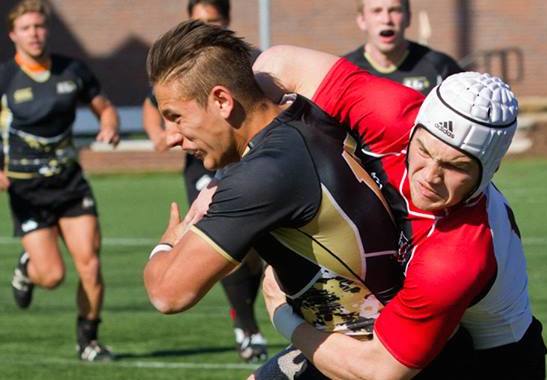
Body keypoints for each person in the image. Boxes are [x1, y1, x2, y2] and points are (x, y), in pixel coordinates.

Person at [142, 20, 473, 380]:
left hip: (375, 356)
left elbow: (167, 293)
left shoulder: (263, 175)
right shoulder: (304, 114)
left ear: (222, 100)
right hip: (401, 339)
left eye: (176, 118)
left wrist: (169, 241)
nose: (172, 137)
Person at [252, 46, 547, 379]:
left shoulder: (458, 253)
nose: (429, 176)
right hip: (410, 329)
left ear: (490, 171)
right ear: (415, 127)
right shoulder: (390, 115)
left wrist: (282, 316)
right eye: (423, 150)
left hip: (486, 364)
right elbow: (274, 63)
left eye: (456, 167)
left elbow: (378, 371)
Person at [141, 0, 268, 363]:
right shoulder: (179, 72)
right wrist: (159, 133)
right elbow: (151, 104)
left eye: (214, 22)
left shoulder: (250, 62)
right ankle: (246, 326)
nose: (207, 29)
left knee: (258, 251)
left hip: (248, 163)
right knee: (228, 240)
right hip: (204, 169)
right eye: (201, 23)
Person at [0, 0, 120, 362]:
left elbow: (104, 106)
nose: (34, 34)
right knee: (51, 276)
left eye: (39, 26)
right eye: (26, 28)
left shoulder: (73, 70)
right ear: (13, 35)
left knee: (90, 263)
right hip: (27, 190)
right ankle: (26, 267)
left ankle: (89, 341)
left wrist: (110, 124)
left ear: (46, 30)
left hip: (70, 183)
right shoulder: (5, 78)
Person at [345, 0, 462, 95]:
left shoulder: (441, 67)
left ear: (408, 18)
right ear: (362, 20)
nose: (386, 20)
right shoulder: (345, 72)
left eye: (395, 10)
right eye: (377, 11)